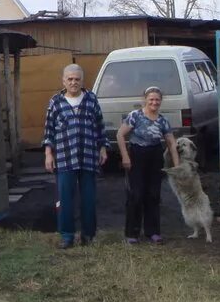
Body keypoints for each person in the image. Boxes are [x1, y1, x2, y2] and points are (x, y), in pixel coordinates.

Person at [42, 64, 107, 249]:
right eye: (69, 79)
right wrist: (48, 154)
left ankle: (88, 235)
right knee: (65, 199)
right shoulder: (55, 102)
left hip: (88, 156)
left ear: (82, 81)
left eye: (77, 79)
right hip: (64, 158)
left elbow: (100, 126)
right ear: (63, 80)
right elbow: (49, 131)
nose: (73, 82)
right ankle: (67, 236)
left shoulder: (91, 99)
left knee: (88, 199)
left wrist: (102, 148)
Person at [116, 86, 179, 245]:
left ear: (161, 101)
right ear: (145, 100)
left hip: (155, 156)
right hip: (137, 155)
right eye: (151, 99)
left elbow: (171, 143)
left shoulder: (162, 120)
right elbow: (120, 135)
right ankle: (132, 233)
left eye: (157, 99)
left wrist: (177, 166)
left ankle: (153, 232)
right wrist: (125, 156)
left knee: (153, 195)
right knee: (136, 194)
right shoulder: (135, 116)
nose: (154, 102)